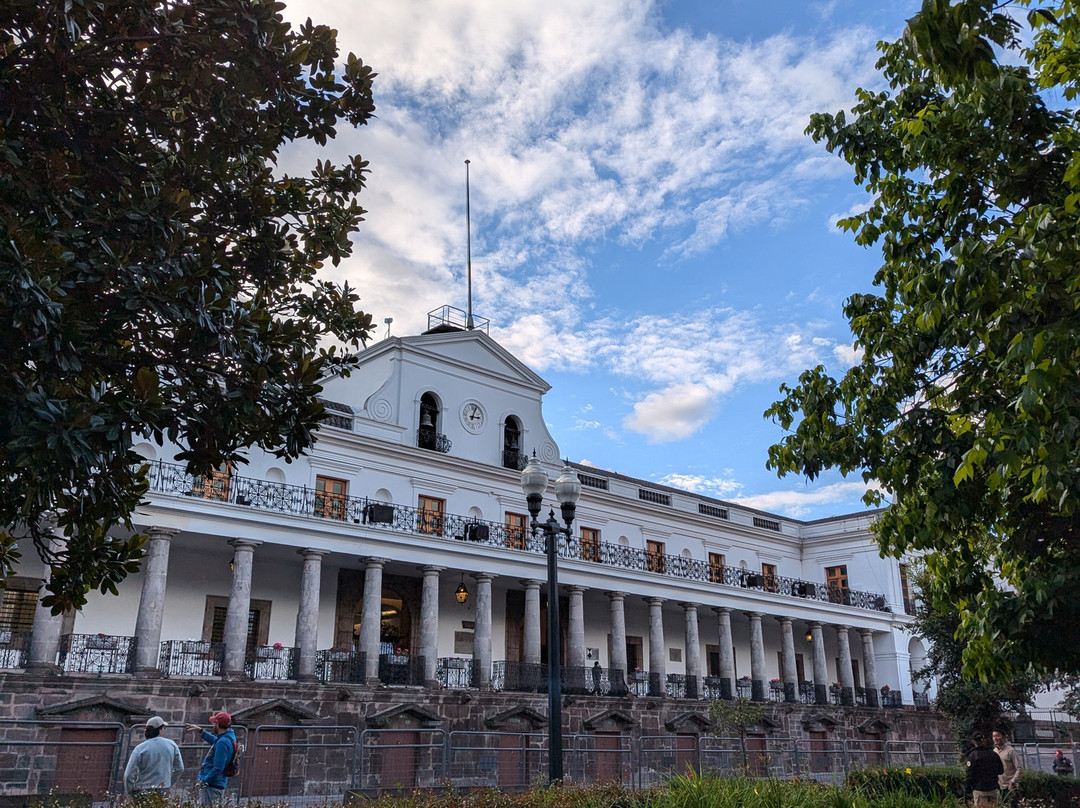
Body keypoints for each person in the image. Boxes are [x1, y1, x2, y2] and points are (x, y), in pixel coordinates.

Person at [123, 716, 183, 803]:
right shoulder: (172, 745)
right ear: (160, 729)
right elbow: (180, 768)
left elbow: (128, 774)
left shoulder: (140, 748)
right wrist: (168, 783)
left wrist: (130, 790)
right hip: (163, 789)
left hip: (142, 790)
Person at [185, 711, 237, 806]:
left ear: (217, 724)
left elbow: (218, 767)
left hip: (212, 785)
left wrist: (204, 780)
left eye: (214, 723)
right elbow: (215, 741)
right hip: (217, 783)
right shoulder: (228, 737)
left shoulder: (223, 742)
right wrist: (201, 731)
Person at [967, 732, 1005, 808]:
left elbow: (969, 775)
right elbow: (1001, 771)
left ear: (973, 741)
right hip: (993, 789)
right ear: (984, 741)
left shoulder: (973, 756)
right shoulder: (993, 754)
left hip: (979, 791)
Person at [993, 729, 1022, 802]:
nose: (995, 738)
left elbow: (1019, 768)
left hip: (1010, 787)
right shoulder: (994, 751)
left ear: (1003, 737)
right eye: (994, 736)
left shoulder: (1010, 751)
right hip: (999, 787)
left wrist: (1013, 781)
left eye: (998, 736)